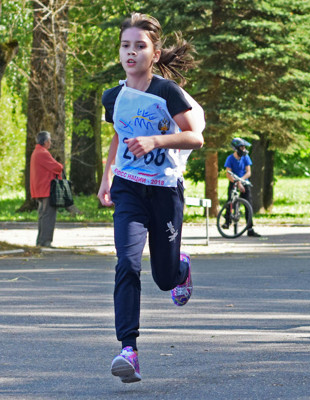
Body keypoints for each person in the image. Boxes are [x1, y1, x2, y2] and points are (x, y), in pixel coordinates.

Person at [97, 13, 205, 383]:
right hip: (128, 187)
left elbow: (195, 137)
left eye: (139, 46)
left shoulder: (167, 93)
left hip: (164, 191)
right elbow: (118, 134)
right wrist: (106, 177)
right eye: (126, 46)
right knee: (127, 264)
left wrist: (156, 140)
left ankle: (180, 267)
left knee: (163, 277)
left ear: (155, 54)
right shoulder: (112, 97)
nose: (131, 52)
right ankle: (129, 349)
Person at [30, 130, 63, 248]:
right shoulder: (43, 152)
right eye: (49, 141)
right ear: (44, 141)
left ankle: (40, 240)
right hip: (46, 188)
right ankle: (46, 241)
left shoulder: (36, 152)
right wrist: (60, 166)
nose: (50, 143)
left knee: (42, 215)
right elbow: (57, 167)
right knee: (49, 215)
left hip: (39, 188)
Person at [223, 137, 261, 237]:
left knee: (248, 203)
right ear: (236, 148)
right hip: (233, 181)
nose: (244, 149)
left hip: (244, 181)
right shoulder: (230, 158)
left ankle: (250, 228)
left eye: (244, 147)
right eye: (242, 147)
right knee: (230, 201)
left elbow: (248, 172)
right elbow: (228, 173)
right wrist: (236, 181)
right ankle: (227, 221)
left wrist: (241, 181)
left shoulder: (246, 157)